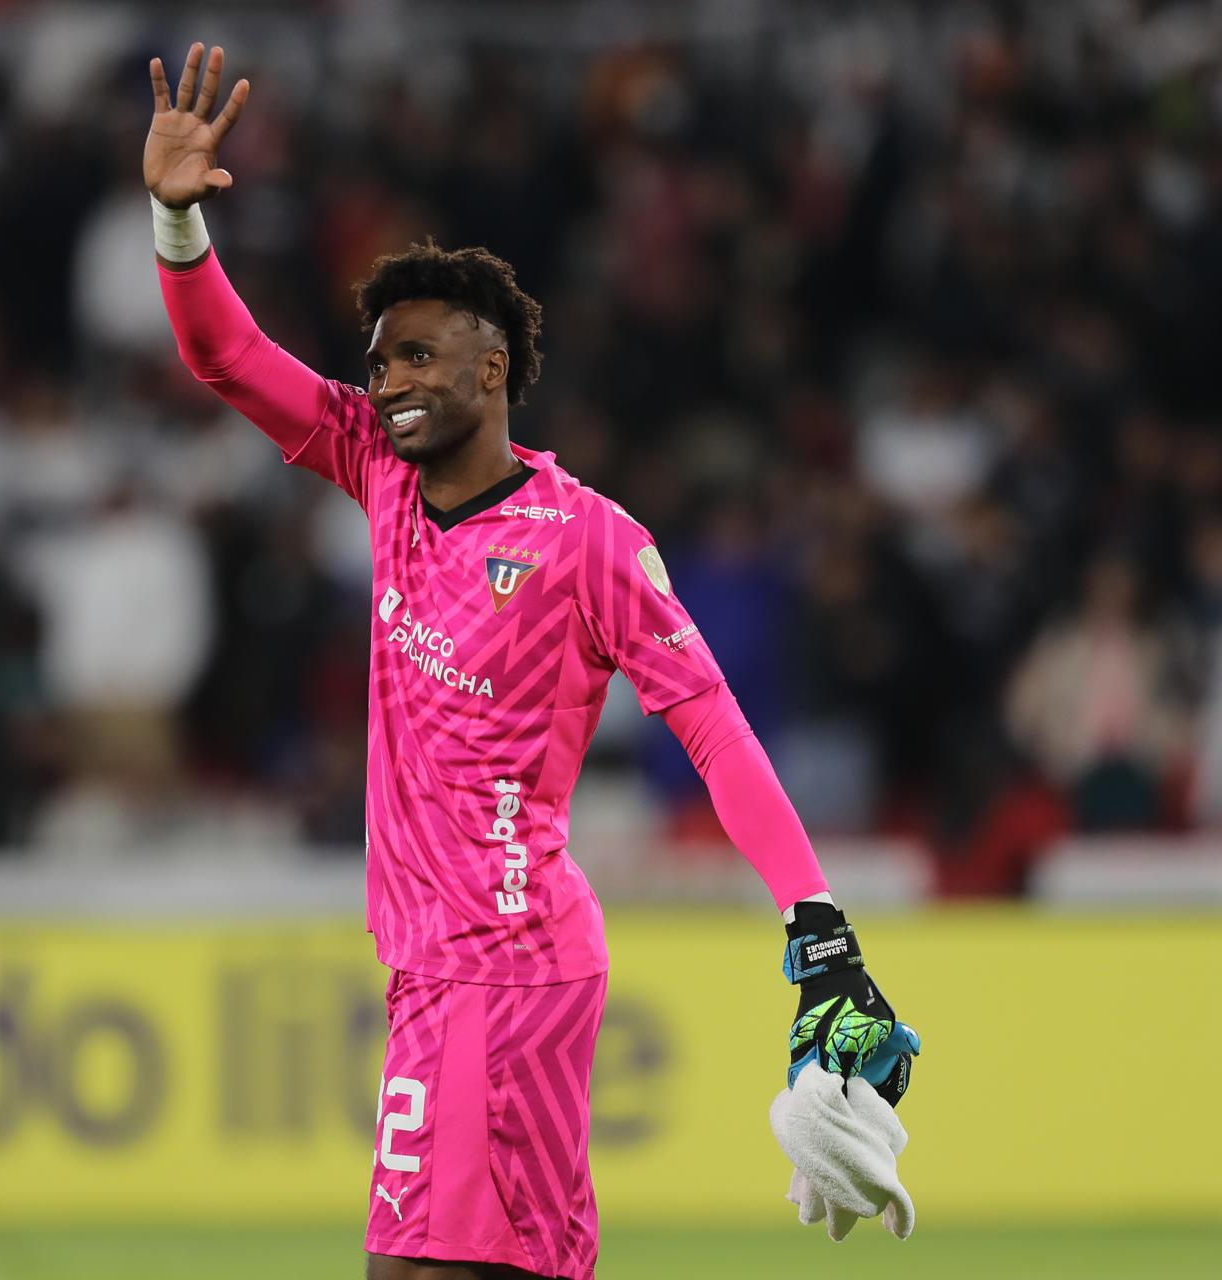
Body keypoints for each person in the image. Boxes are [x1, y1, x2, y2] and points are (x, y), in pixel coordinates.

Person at [144, 45, 919, 1280]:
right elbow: (224, 357)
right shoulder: (377, 474)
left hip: (504, 963)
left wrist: (815, 916)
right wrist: (177, 219)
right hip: (439, 968)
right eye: (379, 357)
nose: (385, 380)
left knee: (416, 1273)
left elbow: (714, 726)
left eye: (415, 357)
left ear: (491, 369)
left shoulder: (591, 543)